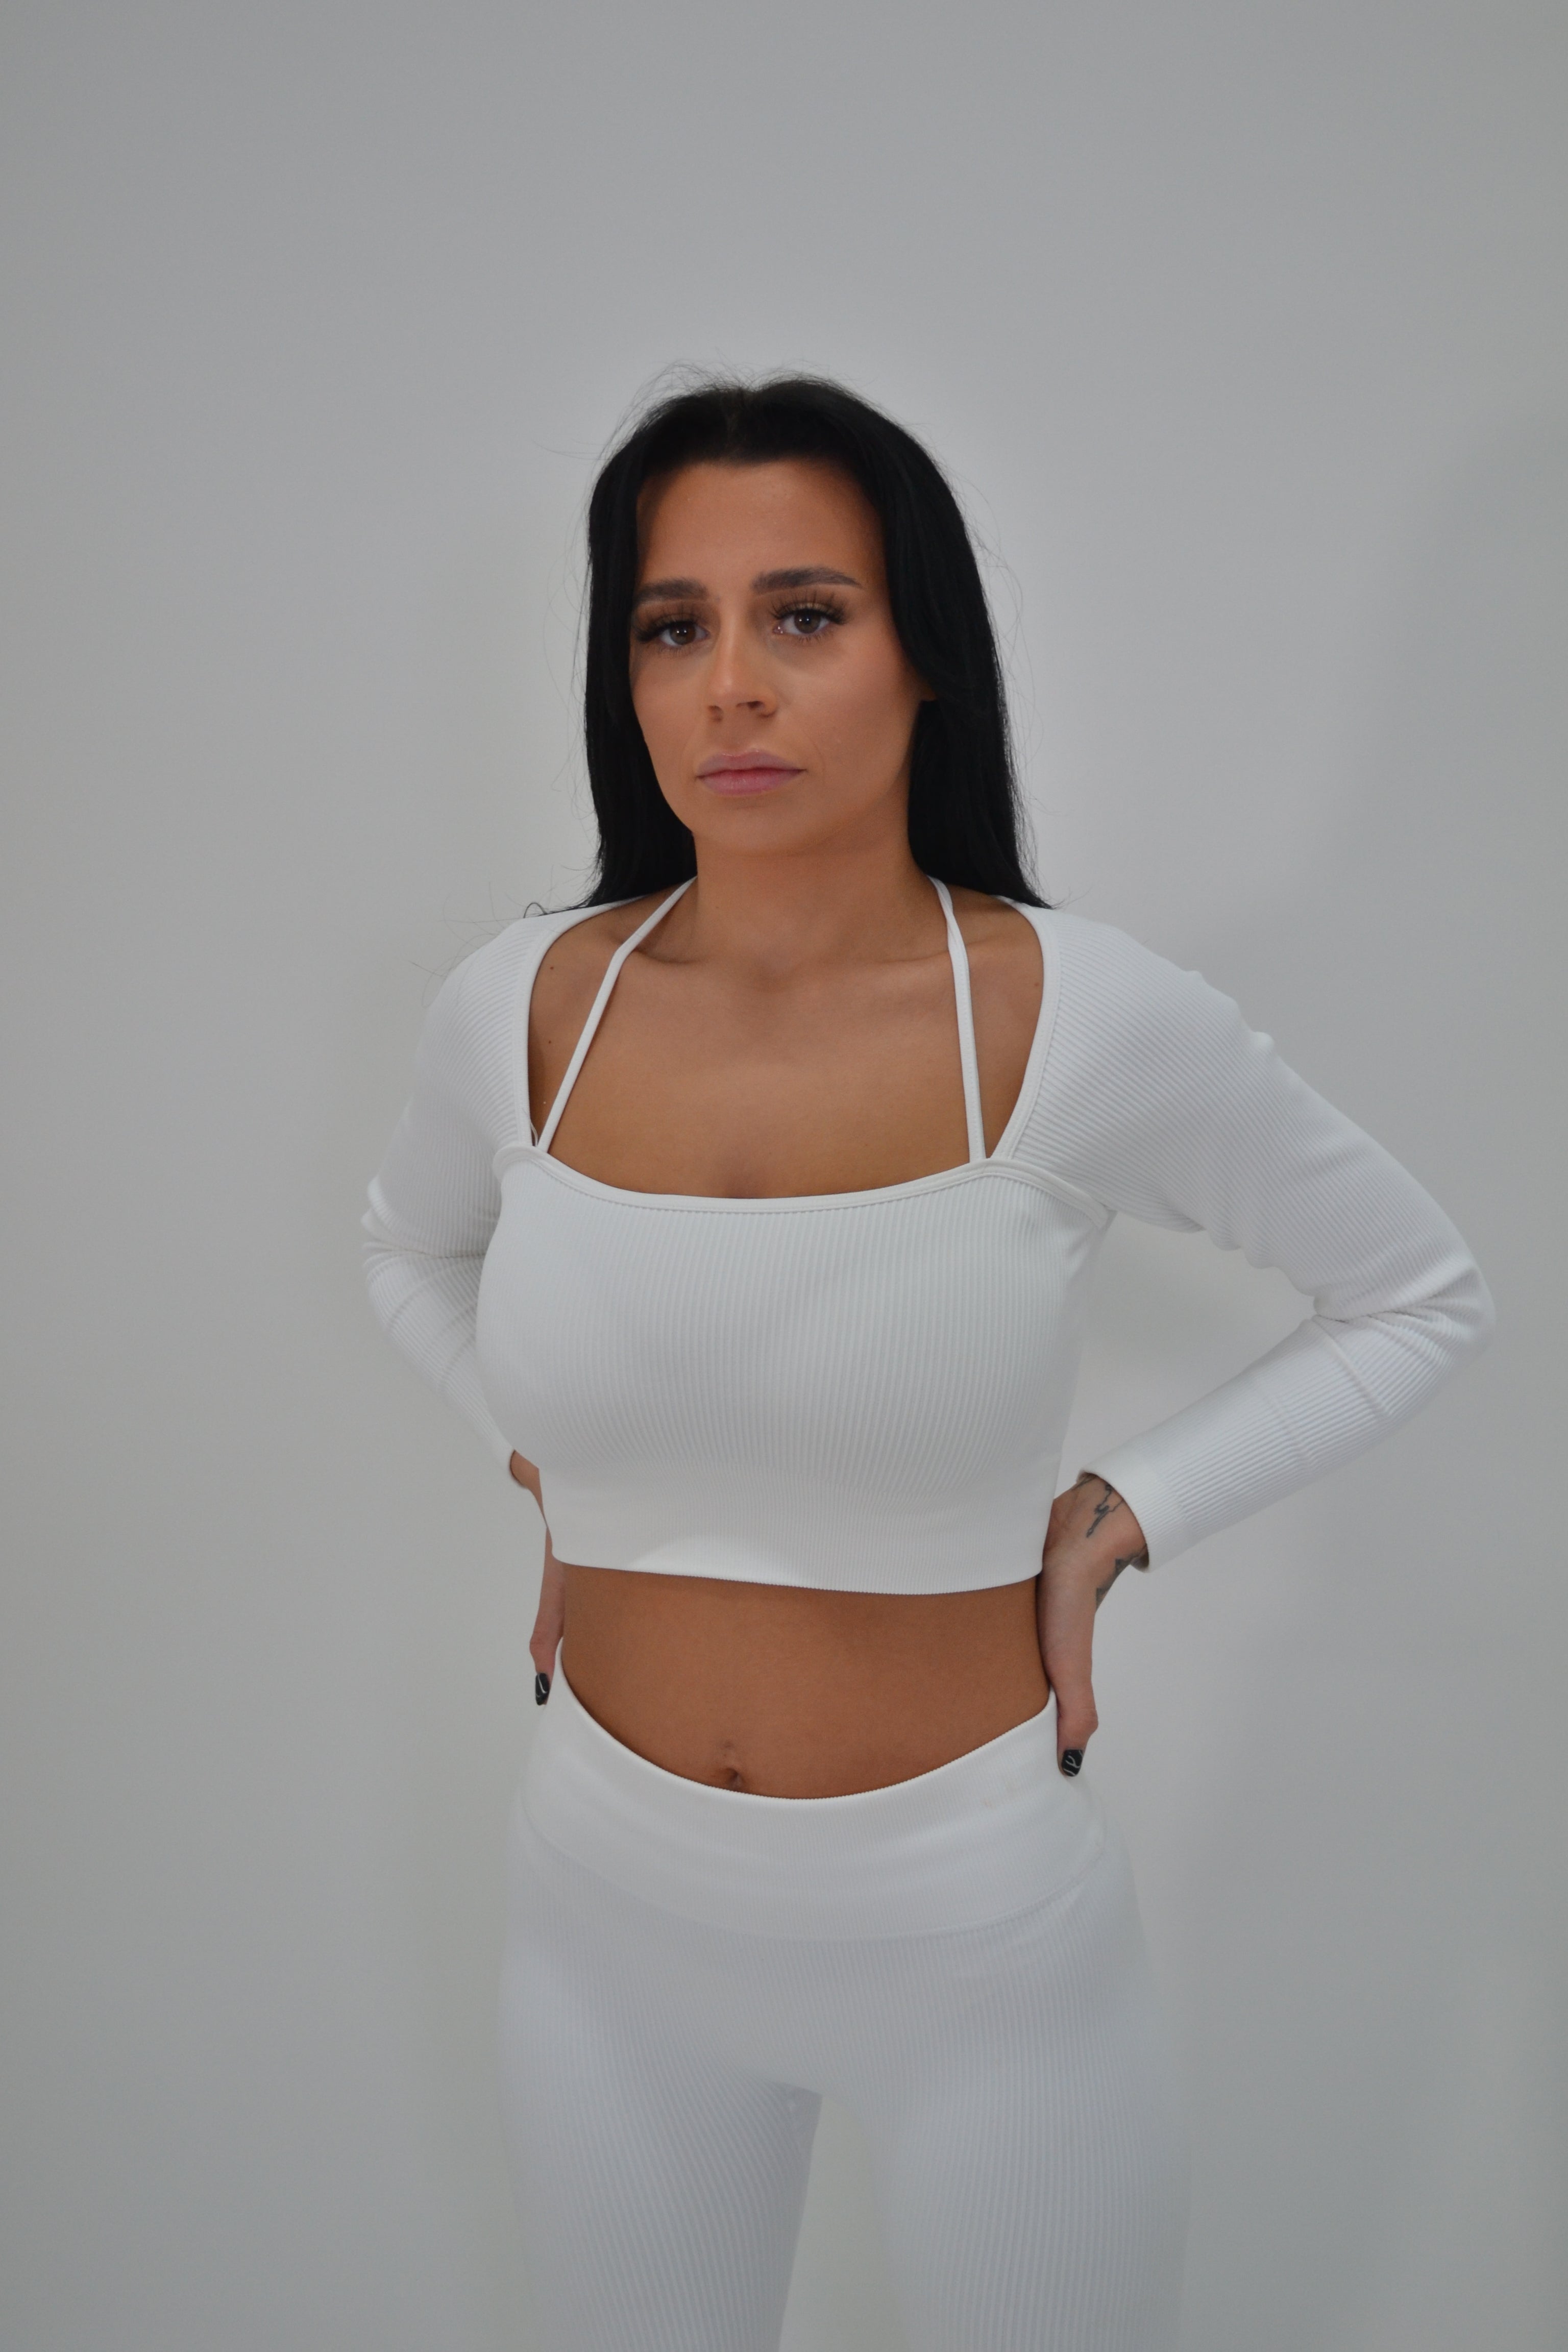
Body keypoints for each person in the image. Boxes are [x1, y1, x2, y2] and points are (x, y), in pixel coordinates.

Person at [362, 375, 1493, 2352]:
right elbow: (406, 1249)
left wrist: (1123, 1514)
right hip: (603, 1920)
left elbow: (1418, 1291)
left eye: (805, 614)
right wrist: (538, 1453)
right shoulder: (522, 1004)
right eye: (673, 625)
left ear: (926, 656)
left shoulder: (1083, 1018)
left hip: (974, 1944)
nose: (733, 683)